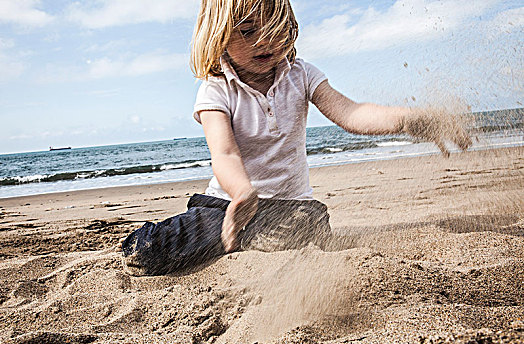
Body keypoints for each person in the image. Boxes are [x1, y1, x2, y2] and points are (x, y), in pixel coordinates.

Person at [121, 0, 471, 276]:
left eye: (275, 28)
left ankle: (251, 239)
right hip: (228, 203)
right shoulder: (216, 90)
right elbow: (224, 153)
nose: (265, 41)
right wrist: (242, 193)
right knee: (156, 252)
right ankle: (143, 242)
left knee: (309, 225)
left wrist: (411, 120)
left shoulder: (301, 74)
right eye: (247, 31)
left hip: (290, 206)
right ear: (219, 37)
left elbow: (351, 113)